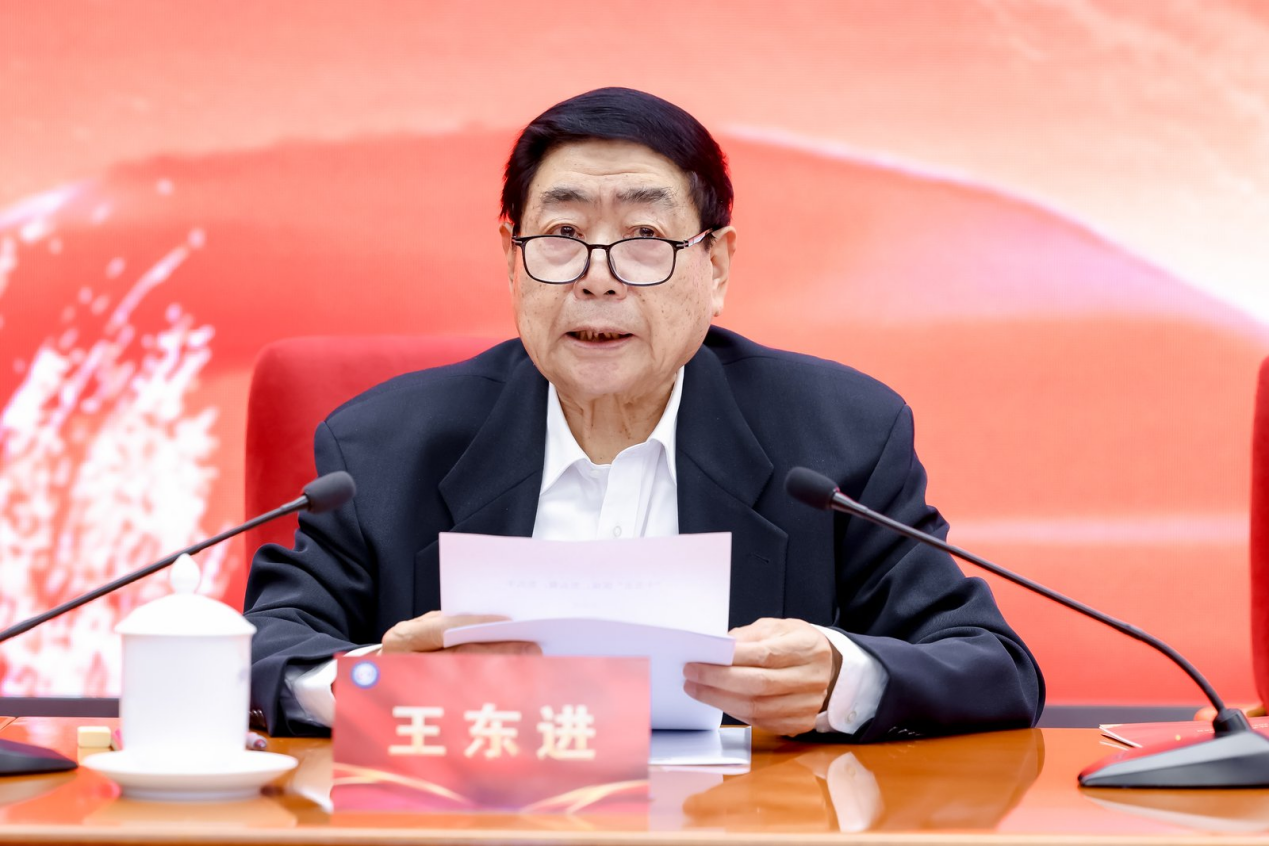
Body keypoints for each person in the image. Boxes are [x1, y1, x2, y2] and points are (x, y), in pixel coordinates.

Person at [244, 87, 1044, 740]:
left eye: (644, 237)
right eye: (562, 234)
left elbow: (992, 667)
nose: (598, 278)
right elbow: (261, 652)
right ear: (511, 261)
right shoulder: (382, 448)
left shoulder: (835, 436)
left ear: (716, 266)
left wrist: (841, 679)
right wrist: (375, 686)